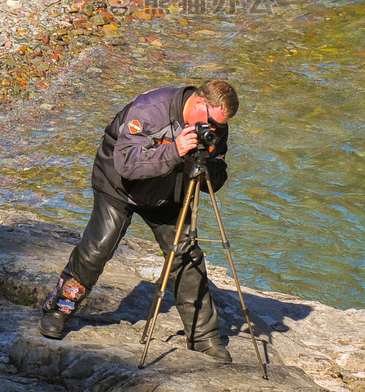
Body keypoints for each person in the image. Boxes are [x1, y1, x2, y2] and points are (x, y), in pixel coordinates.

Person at [40, 78, 239, 363]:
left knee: (185, 254)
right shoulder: (149, 109)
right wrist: (175, 150)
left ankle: (203, 337)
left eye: (221, 125)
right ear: (199, 103)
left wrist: (205, 164)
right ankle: (58, 309)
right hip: (118, 187)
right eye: (213, 121)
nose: (216, 129)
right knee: (98, 248)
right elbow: (127, 163)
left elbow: (217, 177)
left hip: (166, 195)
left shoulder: (214, 124)